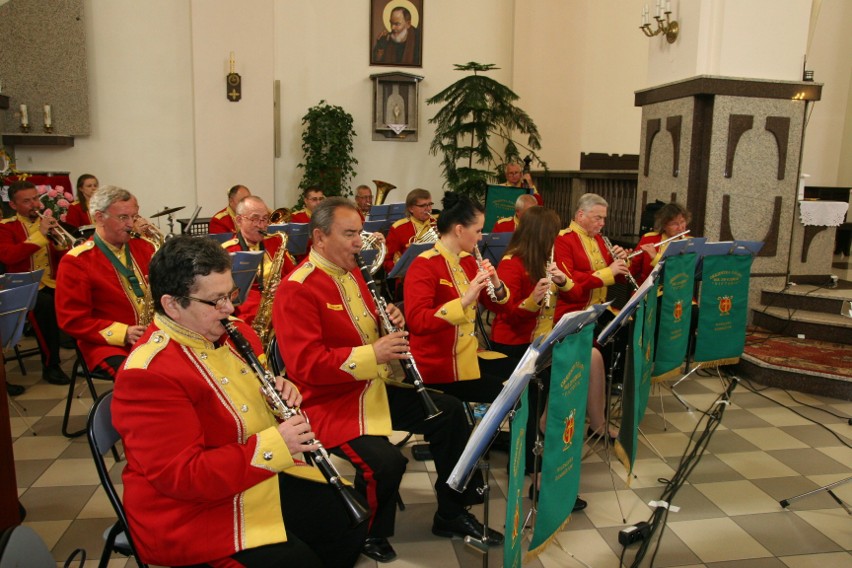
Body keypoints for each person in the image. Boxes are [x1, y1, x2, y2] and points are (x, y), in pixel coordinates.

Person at [111, 236, 366, 568]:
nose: (229, 309)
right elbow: (183, 477)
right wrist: (278, 443)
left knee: (348, 518)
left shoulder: (232, 333)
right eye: (216, 300)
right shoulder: (148, 374)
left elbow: (239, 399)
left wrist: (278, 390)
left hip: (246, 473)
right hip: (193, 512)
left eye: (230, 295)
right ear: (172, 304)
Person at [273, 197, 503, 563]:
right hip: (328, 402)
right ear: (318, 237)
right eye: (349, 235)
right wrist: (374, 353)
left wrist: (387, 320)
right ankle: (368, 533)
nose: (358, 243)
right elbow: (305, 365)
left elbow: (366, 328)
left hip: (372, 387)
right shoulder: (297, 287)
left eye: (359, 234)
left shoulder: (353, 273)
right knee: (386, 463)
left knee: (450, 413)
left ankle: (451, 511)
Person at [404, 192, 515, 404]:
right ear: (459, 229)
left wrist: (496, 282)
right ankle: (494, 437)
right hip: (440, 367)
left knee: (526, 377)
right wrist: (464, 301)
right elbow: (417, 321)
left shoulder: (467, 261)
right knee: (511, 395)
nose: (481, 237)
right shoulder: (424, 265)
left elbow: (502, 308)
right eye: (478, 231)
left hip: (467, 357)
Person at [55, 186, 156, 377]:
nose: (131, 224)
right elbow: (72, 320)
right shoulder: (76, 261)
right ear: (99, 217)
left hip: (151, 336)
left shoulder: (145, 247)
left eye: (134, 217)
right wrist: (123, 333)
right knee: (142, 379)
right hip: (106, 344)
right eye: (123, 217)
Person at [554, 192, 630, 440]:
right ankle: (596, 418)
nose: (602, 224)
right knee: (601, 348)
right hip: (573, 313)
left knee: (626, 334)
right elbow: (572, 282)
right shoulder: (564, 240)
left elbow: (613, 275)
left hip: (597, 310)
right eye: (597, 218)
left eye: (603, 219)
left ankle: (603, 400)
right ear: (580, 215)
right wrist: (608, 271)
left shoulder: (598, 240)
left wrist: (622, 262)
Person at [0, 180, 71, 392]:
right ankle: (52, 365)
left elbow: (63, 254)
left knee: (81, 298)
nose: (35, 205)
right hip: (24, 288)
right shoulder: (7, 227)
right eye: (27, 201)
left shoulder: (49, 223)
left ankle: (87, 356)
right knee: (45, 305)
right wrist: (40, 235)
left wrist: (60, 243)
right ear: (13, 206)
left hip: (51, 281)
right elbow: (10, 256)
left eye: (36, 199)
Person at [222, 195, 295, 326]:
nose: (262, 225)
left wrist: (283, 285)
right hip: (247, 316)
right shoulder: (228, 251)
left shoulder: (275, 242)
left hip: (281, 305)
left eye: (265, 219)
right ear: (239, 220)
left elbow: (294, 275)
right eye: (255, 219)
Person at [631, 201, 691, 283]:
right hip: (650, 291)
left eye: (682, 222)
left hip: (678, 291)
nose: (680, 227)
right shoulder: (649, 239)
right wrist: (626, 260)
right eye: (675, 224)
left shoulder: (690, 242)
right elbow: (632, 270)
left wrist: (656, 257)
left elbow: (680, 271)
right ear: (664, 225)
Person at [383, 188, 437, 273]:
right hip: (410, 275)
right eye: (423, 206)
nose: (428, 209)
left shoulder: (439, 223)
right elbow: (387, 261)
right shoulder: (398, 228)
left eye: (430, 204)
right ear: (411, 208)